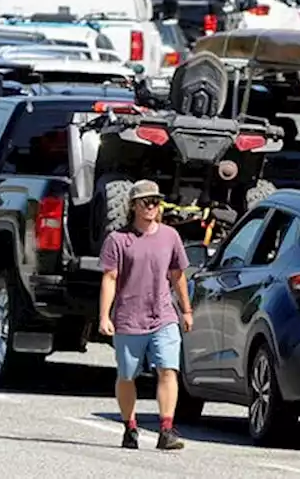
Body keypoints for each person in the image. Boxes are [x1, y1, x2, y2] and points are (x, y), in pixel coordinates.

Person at [99, 179, 192, 452]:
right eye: (146, 201)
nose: (151, 206)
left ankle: (166, 429)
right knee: (127, 375)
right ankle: (130, 426)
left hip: (163, 316)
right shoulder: (118, 240)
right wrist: (104, 316)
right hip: (129, 318)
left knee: (168, 370)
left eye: (155, 201)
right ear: (133, 206)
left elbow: (178, 275)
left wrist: (186, 310)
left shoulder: (170, 236)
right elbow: (110, 278)